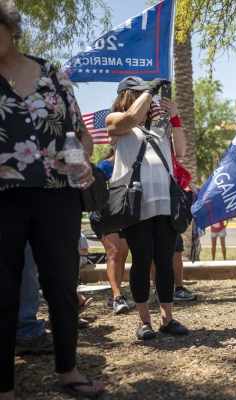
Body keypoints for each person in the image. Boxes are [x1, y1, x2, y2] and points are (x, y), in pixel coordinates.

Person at [0, 1, 105, 397]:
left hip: (58, 197)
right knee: (4, 289)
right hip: (3, 201)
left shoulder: (51, 73)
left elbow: (78, 133)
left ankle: (69, 371)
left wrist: (82, 163)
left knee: (62, 284)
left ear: (12, 28)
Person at [106, 76, 188, 340]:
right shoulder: (116, 123)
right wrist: (151, 90)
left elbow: (183, 150)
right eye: (143, 95)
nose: (151, 101)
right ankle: (144, 321)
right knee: (141, 261)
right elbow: (131, 119)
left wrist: (174, 117)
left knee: (164, 261)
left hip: (164, 203)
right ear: (130, 97)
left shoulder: (159, 128)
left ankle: (168, 319)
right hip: (135, 205)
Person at [93, 149, 136, 314]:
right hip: (103, 215)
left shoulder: (129, 167)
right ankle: (117, 296)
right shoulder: (102, 167)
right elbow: (97, 192)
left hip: (121, 216)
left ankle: (114, 297)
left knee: (123, 253)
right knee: (115, 252)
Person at [151, 233, 198, 302]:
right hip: (150, 223)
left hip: (171, 223)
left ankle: (179, 289)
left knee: (177, 251)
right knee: (154, 253)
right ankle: (158, 292)